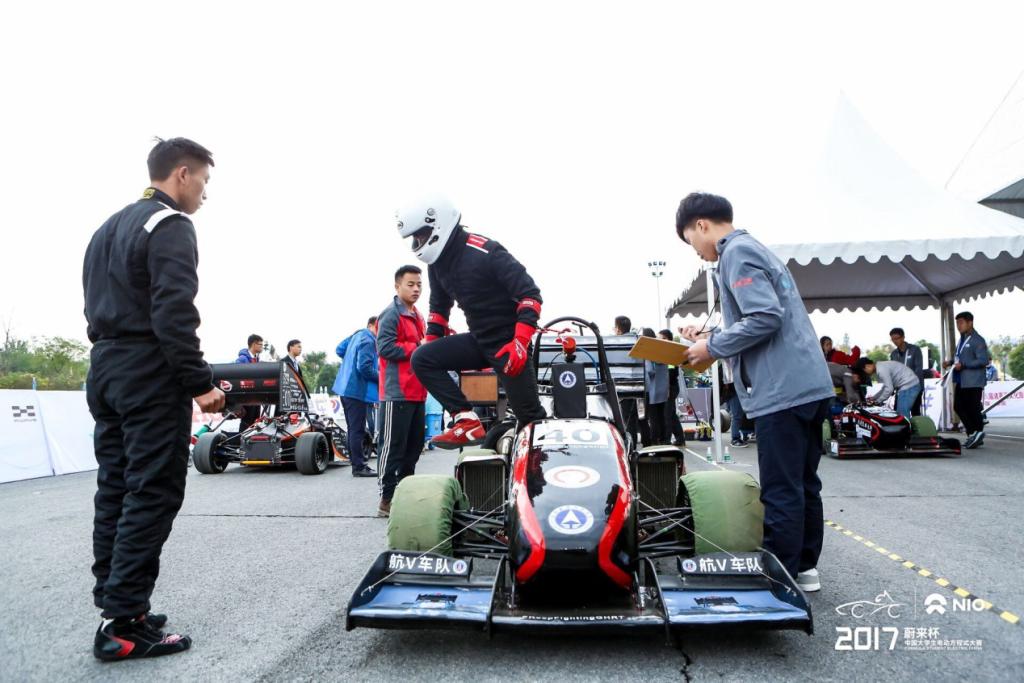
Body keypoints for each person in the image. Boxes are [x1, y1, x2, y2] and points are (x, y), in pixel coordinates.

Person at [83, 137, 225, 660]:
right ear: (182, 174)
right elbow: (174, 311)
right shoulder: (170, 224)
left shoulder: (107, 228)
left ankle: (116, 602)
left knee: (116, 488)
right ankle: (122, 624)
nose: (205, 192)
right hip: (147, 370)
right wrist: (200, 382)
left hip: (106, 366)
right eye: (204, 180)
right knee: (153, 491)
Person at [676, 192, 834, 593]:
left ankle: (777, 576)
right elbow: (761, 318)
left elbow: (765, 317)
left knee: (781, 488)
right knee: (803, 483)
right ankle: (803, 567)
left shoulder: (736, 254)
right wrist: (709, 336)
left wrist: (711, 347)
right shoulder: (753, 248)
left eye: (690, 241)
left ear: (702, 225)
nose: (696, 251)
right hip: (807, 385)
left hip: (782, 390)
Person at [403, 194, 547, 448]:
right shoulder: (436, 264)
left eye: (421, 235)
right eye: (415, 238)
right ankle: (466, 420)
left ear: (438, 224)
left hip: (508, 345)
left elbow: (530, 295)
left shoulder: (486, 251)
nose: (418, 242)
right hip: (479, 341)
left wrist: (521, 341)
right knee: (422, 358)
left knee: (529, 420)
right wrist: (432, 344)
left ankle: (541, 464)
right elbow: (439, 309)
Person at [375, 266, 428, 516]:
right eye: (410, 284)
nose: (416, 289)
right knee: (392, 448)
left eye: (419, 284)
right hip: (396, 393)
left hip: (418, 392)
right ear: (397, 286)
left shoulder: (418, 315)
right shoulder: (390, 314)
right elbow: (385, 348)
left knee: (413, 448)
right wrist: (418, 346)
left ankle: (405, 496)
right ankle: (386, 499)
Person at [333, 317, 379, 477]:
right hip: (357, 390)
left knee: (353, 429)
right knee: (357, 429)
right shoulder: (369, 340)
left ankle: (356, 464)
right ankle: (359, 467)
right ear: (372, 325)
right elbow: (365, 368)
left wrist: (350, 360)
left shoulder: (357, 335)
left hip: (344, 388)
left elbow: (339, 349)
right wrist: (384, 377)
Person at [943, 311, 989, 449]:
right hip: (962, 380)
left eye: (961, 322)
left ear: (970, 323)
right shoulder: (962, 339)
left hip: (973, 380)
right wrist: (950, 362)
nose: (958, 326)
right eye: (957, 323)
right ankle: (974, 434)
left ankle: (976, 433)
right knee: (959, 406)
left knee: (972, 408)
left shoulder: (977, 340)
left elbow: (984, 360)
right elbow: (960, 358)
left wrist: (964, 365)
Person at [852, 358, 921, 418]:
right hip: (909, 384)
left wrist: (877, 401)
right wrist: (874, 398)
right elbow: (885, 388)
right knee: (901, 413)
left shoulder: (881, 370)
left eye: (864, 372)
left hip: (909, 385)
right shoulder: (880, 366)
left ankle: (906, 429)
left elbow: (889, 389)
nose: (866, 374)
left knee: (902, 414)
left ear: (867, 366)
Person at [658, 329, 686, 446]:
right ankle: (680, 439)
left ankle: (667, 440)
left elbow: (671, 373)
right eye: (659, 339)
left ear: (669, 339)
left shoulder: (671, 353)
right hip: (668, 386)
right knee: (672, 414)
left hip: (670, 387)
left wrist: (668, 388)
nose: (661, 341)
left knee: (667, 415)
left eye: (663, 338)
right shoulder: (663, 352)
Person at [641, 328, 669, 445]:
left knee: (653, 416)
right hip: (663, 388)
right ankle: (664, 438)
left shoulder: (648, 351)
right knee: (661, 415)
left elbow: (650, 370)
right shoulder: (662, 350)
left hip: (652, 388)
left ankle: (654, 438)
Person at [889, 328, 924, 416]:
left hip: (914, 387)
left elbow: (918, 369)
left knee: (915, 412)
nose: (895, 341)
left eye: (896, 338)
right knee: (899, 414)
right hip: (901, 389)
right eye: (892, 339)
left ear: (903, 337)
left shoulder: (915, 350)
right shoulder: (894, 354)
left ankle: (916, 426)